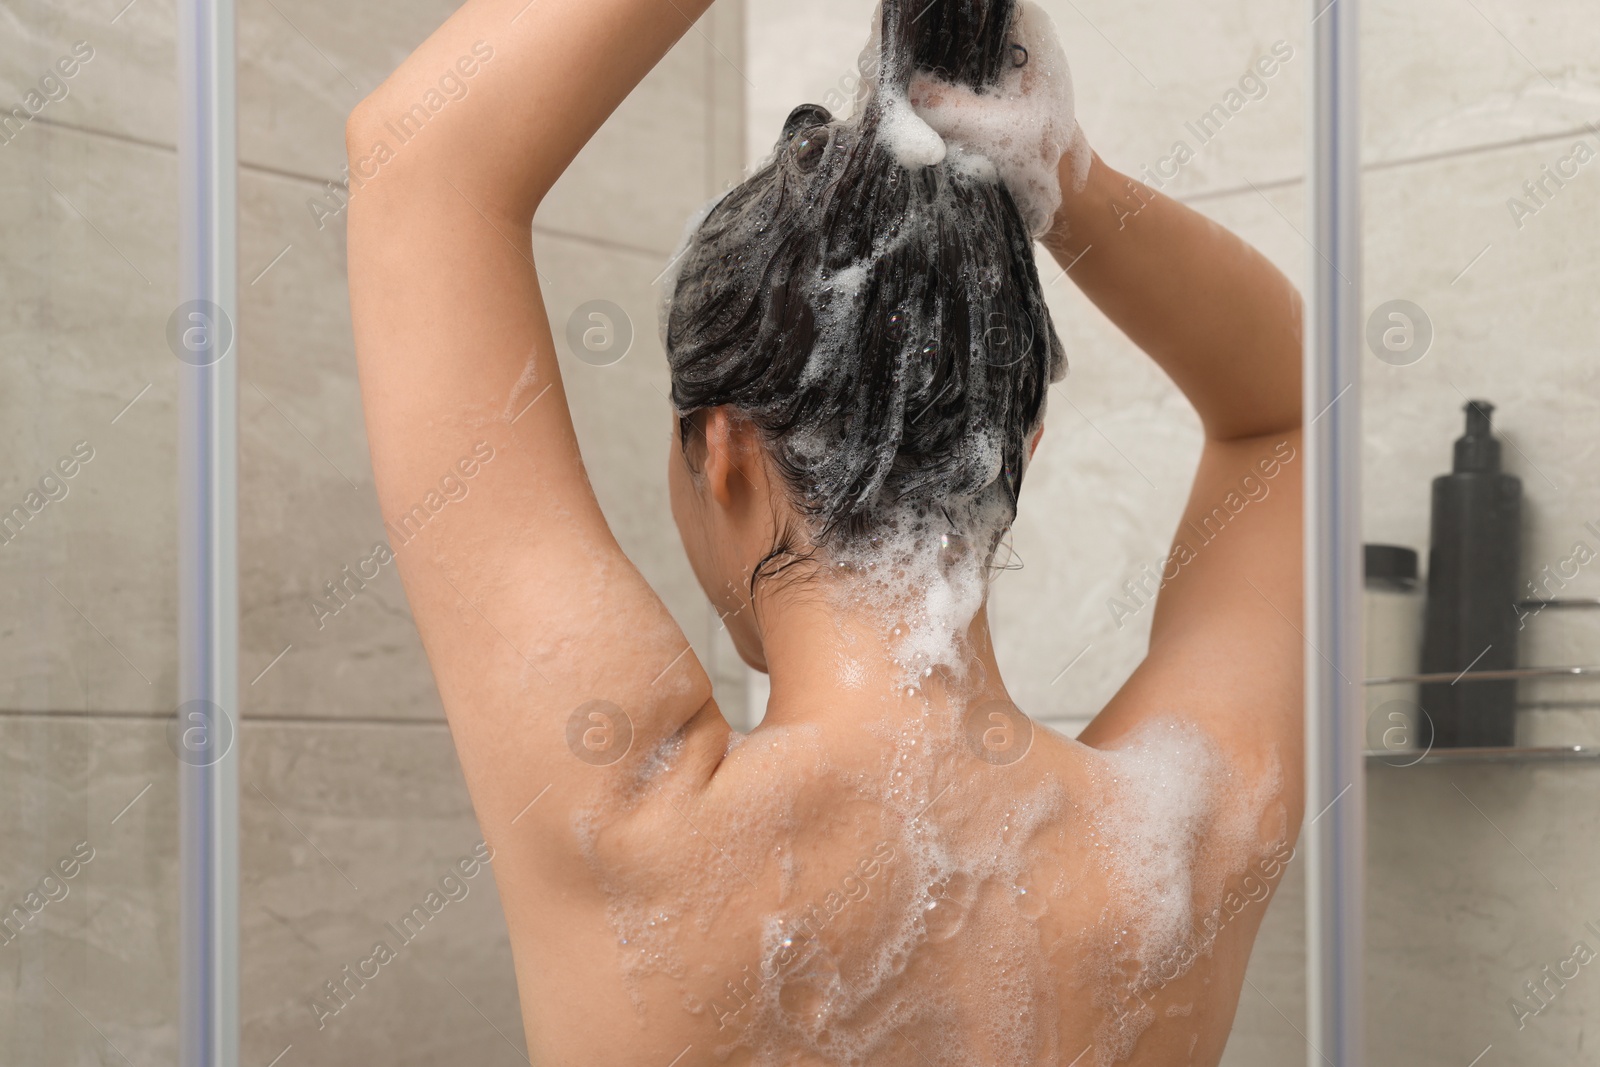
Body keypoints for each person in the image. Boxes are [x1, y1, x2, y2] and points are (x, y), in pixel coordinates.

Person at [345, 0, 1304, 1062]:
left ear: (721, 451)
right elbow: (1294, 414)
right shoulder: (1178, 845)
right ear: (1021, 447)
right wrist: (1060, 174)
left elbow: (416, 165)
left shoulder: (634, 826)